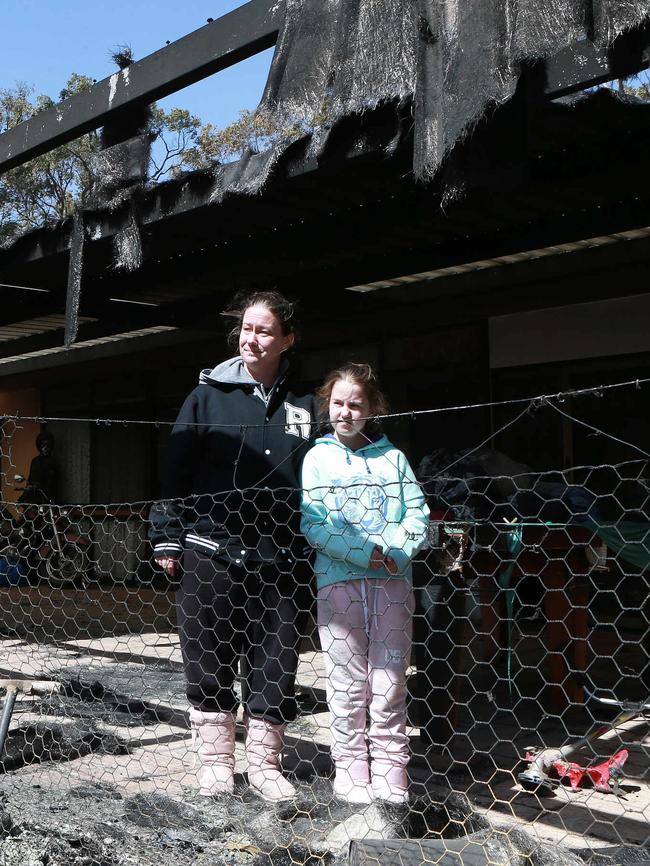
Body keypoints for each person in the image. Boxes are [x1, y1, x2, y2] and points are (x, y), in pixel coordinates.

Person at [150, 290, 316, 802]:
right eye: (246, 328)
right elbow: (175, 467)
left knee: (275, 661)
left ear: (288, 338)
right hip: (211, 548)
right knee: (209, 658)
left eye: (264, 330)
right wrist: (164, 533)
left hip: (282, 557)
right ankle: (217, 764)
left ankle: (265, 766)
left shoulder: (309, 399)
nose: (252, 338)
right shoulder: (207, 394)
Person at [300, 363, 429, 804]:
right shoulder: (316, 458)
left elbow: (418, 514)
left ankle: (392, 768)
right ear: (326, 405)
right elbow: (313, 522)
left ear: (372, 408)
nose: (346, 411)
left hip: (392, 583)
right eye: (338, 403)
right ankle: (351, 767)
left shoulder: (394, 459)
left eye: (356, 404)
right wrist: (361, 552)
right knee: (346, 681)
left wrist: (392, 552)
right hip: (338, 583)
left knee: (390, 680)